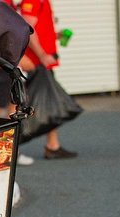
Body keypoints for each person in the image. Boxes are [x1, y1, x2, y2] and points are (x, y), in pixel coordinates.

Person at [19, 0, 77, 159]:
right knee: (22, 104)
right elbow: (27, 29)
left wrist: (55, 35)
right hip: (36, 63)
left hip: (41, 62)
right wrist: (42, 55)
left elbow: (36, 27)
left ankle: (53, 145)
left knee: (47, 102)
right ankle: (11, 146)